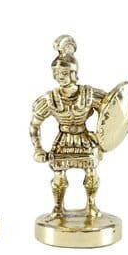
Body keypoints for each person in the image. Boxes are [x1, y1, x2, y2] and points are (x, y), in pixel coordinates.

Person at [30, 35, 106, 219]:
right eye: (56, 73)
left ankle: (91, 206)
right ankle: (58, 209)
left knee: (91, 173)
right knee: (58, 176)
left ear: (73, 73)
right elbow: (35, 125)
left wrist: (102, 138)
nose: (60, 77)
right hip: (63, 140)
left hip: (84, 139)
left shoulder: (89, 94)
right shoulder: (50, 99)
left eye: (64, 73)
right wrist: (38, 148)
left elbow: (110, 109)